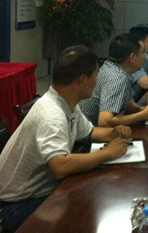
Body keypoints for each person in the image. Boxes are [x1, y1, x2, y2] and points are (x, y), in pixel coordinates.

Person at [0, 46, 131, 232]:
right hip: (21, 203)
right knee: (88, 213)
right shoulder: (51, 114)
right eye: (96, 75)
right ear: (82, 79)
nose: (97, 81)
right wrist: (107, 153)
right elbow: (60, 166)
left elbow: (89, 133)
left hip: (42, 191)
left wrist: (114, 133)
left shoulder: (66, 102)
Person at [79, 33, 148, 126]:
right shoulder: (117, 79)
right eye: (144, 52)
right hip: (89, 132)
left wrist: (144, 110)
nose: (145, 56)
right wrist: (143, 115)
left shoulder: (113, 67)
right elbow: (104, 121)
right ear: (132, 57)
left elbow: (128, 105)